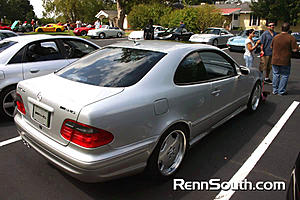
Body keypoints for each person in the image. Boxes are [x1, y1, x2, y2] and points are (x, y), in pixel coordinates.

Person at [271, 22, 298, 95]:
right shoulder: (291, 38)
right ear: (289, 29)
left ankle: (275, 90)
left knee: (275, 74)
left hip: (275, 59)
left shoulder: (275, 37)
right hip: (285, 60)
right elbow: (294, 50)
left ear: (281, 28)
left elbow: (271, 47)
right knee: (284, 75)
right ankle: (281, 91)